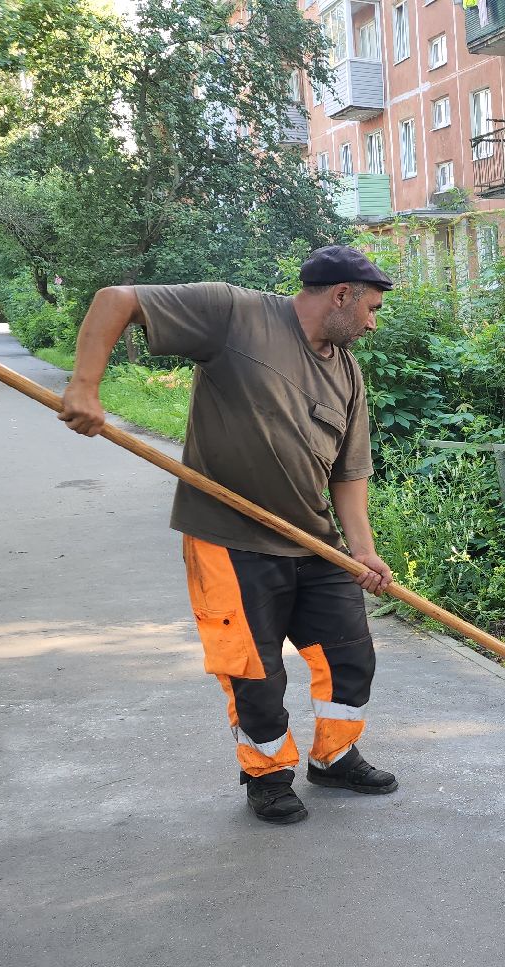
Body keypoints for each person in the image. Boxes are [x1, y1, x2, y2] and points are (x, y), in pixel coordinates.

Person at [57, 246, 402, 824]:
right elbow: (116, 301)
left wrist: (361, 552)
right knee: (254, 672)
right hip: (228, 539)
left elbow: (347, 472)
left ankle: (335, 756)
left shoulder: (347, 371)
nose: (372, 322)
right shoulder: (234, 314)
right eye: (369, 308)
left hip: (314, 541)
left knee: (350, 655)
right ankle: (266, 775)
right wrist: (84, 387)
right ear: (341, 295)